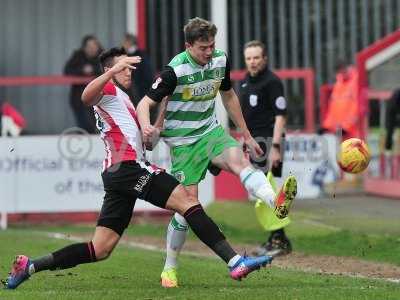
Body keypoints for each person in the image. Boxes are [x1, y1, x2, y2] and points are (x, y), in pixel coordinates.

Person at [2, 47, 272, 290]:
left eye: (130, 67)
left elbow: (147, 141)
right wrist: (113, 72)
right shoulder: (107, 90)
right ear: (110, 70)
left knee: (100, 248)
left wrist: (155, 126)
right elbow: (85, 96)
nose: (130, 71)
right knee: (188, 202)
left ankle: (30, 266)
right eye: (124, 66)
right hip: (127, 168)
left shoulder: (125, 100)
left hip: (120, 175)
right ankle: (235, 261)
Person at [136, 17, 297, 288]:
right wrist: (146, 127)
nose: (209, 52)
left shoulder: (220, 60)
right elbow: (144, 104)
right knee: (187, 208)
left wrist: (245, 134)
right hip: (183, 143)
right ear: (188, 46)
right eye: (203, 48)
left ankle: (275, 203)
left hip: (210, 133)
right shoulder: (174, 71)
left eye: (212, 45)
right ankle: (170, 268)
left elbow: (229, 96)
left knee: (240, 161)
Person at [238, 40, 292, 257]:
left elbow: (281, 116)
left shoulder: (272, 82)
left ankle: (278, 239)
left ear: (265, 59)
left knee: (268, 191)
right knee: (262, 192)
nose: (252, 62)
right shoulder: (243, 82)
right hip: (255, 144)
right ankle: (278, 238)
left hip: (270, 142)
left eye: (256, 57)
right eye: (249, 58)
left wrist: (276, 147)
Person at [64, 35, 103, 133]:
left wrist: (93, 70)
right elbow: (67, 71)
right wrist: (82, 70)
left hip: (97, 98)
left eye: (94, 46)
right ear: (84, 48)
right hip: (79, 99)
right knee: (84, 126)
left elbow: (108, 71)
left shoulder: (103, 56)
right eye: (89, 47)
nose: (92, 49)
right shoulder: (78, 56)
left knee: (99, 126)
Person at [320, 60, 360, 138]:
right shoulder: (338, 84)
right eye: (341, 72)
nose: (343, 74)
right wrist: (326, 127)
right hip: (339, 132)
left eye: (344, 70)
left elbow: (356, 108)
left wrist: (346, 128)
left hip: (352, 133)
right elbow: (333, 109)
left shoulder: (356, 82)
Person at [122, 33, 155, 106]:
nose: (122, 45)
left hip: (140, 93)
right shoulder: (140, 55)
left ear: (129, 42)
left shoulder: (135, 57)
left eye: (124, 42)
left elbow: (146, 76)